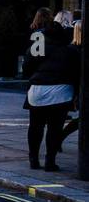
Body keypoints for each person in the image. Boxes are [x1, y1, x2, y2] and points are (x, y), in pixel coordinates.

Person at [25, 16, 80, 171]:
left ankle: (33, 159)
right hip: (61, 92)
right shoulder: (70, 50)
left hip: (37, 90)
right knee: (54, 129)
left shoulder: (38, 47)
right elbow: (76, 73)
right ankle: (50, 161)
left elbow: (27, 68)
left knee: (35, 127)